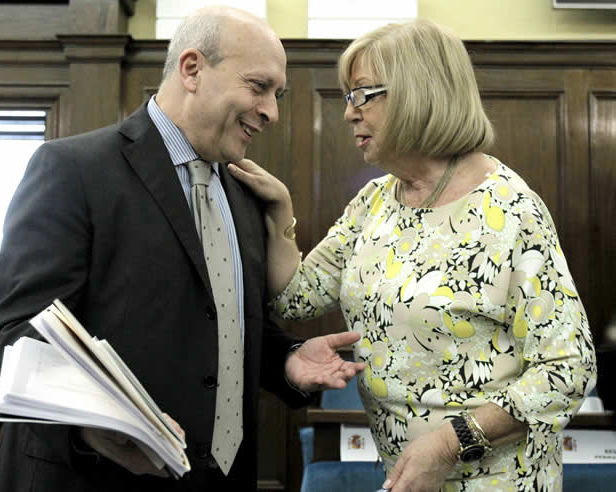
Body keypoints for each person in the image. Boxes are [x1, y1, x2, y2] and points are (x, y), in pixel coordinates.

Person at [0, 6, 365, 492]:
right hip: (91, 477)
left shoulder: (246, 193)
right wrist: (99, 426)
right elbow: (18, 338)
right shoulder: (72, 170)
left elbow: (222, 322)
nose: (271, 111)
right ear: (192, 69)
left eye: (279, 95)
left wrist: (288, 359)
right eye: (259, 86)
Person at [228, 20, 597, 492]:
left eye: (362, 94)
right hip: (405, 476)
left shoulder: (509, 210)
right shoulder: (376, 200)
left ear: (418, 92)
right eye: (347, 97)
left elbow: (567, 368)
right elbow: (294, 300)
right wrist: (281, 213)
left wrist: (447, 444)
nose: (349, 113)